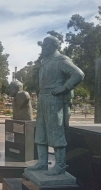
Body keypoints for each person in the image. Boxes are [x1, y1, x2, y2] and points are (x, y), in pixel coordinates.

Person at [27, 36, 84, 176]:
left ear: (53, 46)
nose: (43, 48)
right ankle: (42, 162)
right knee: (41, 131)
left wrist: (65, 88)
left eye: (45, 45)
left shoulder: (61, 60)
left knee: (56, 131)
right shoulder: (46, 62)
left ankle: (60, 165)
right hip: (43, 99)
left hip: (54, 100)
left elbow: (78, 74)